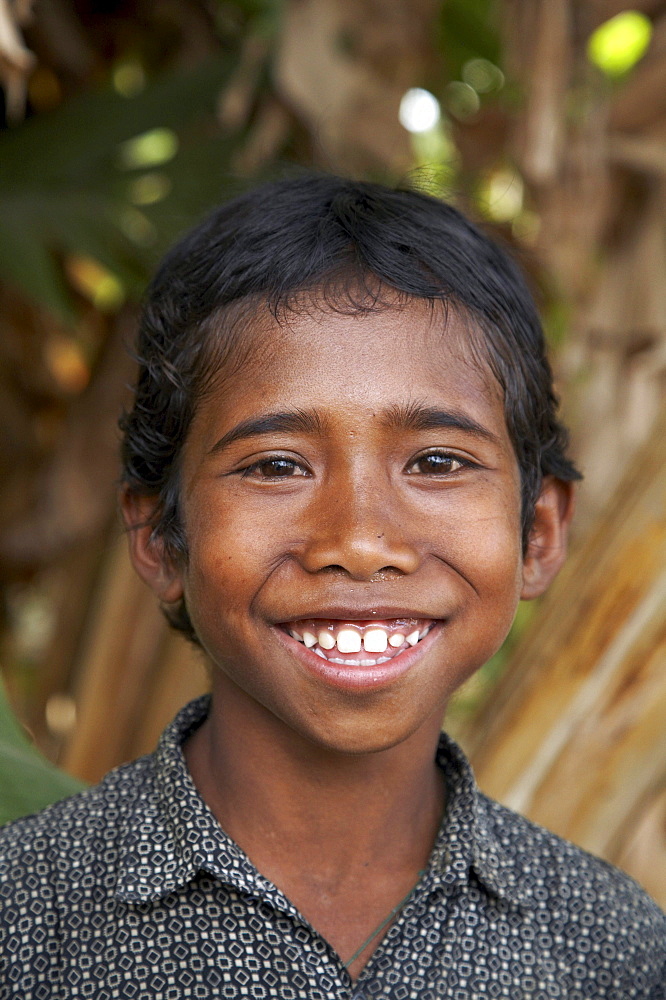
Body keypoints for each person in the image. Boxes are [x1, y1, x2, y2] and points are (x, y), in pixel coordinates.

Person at [0, 174, 664, 1000]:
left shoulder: (613, 951)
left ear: (537, 531)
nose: (357, 542)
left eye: (437, 462)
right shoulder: (25, 922)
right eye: (277, 466)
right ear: (160, 536)